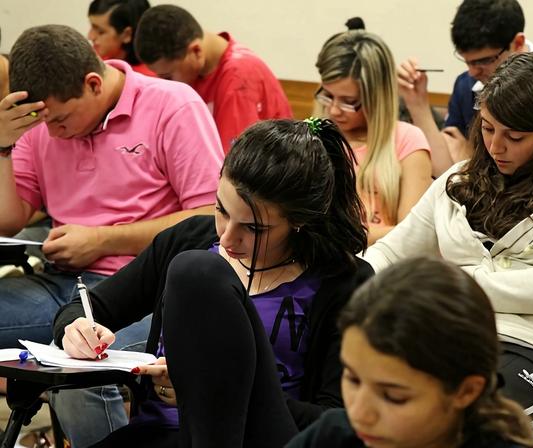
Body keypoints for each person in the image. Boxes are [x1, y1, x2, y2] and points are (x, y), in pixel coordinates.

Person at [53, 118, 373, 447]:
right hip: (159, 434)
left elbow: (338, 423)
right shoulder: (188, 238)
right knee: (196, 267)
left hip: (265, 437)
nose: (227, 237)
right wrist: (76, 329)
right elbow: (87, 307)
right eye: (221, 210)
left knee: (198, 272)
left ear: (300, 222)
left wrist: (208, 391)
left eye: (253, 229)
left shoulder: (344, 282)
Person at [364, 52, 533, 421]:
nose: (495, 147)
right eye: (487, 128)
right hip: (444, 335)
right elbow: (390, 254)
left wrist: (458, 288)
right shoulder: (459, 179)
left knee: (449, 419)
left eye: (515, 136)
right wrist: (345, 281)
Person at [0, 24, 222, 349]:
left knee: (89, 363)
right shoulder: (41, 122)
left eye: (61, 120)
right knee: (71, 350)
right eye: (41, 121)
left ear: (93, 84)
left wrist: (103, 241)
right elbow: (9, 221)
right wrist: (4, 146)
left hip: (137, 291)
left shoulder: (172, 106)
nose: (52, 134)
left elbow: (208, 218)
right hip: (58, 282)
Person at [288, 257, 533, 448]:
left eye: (393, 396)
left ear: (466, 391)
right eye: (352, 379)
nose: (360, 414)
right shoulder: (334, 435)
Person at [398, 0, 533, 177]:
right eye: (466, 61)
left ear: (517, 43)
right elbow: (448, 174)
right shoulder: (467, 85)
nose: (472, 72)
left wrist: (469, 157)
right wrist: (417, 104)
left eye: (484, 61)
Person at [315, 30, 432, 245]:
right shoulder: (315, 138)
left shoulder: (408, 141)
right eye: (328, 95)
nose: (333, 110)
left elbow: (411, 235)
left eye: (348, 101)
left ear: (376, 98)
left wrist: (339, 237)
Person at [135, 4, 292, 153]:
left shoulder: (238, 76)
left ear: (196, 51)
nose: (167, 85)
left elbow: (233, 166)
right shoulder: (196, 70)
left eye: (168, 77)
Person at [87, 0, 154, 76]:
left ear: (126, 34)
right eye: (92, 27)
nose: (90, 36)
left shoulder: (148, 79)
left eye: (101, 32)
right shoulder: (92, 59)